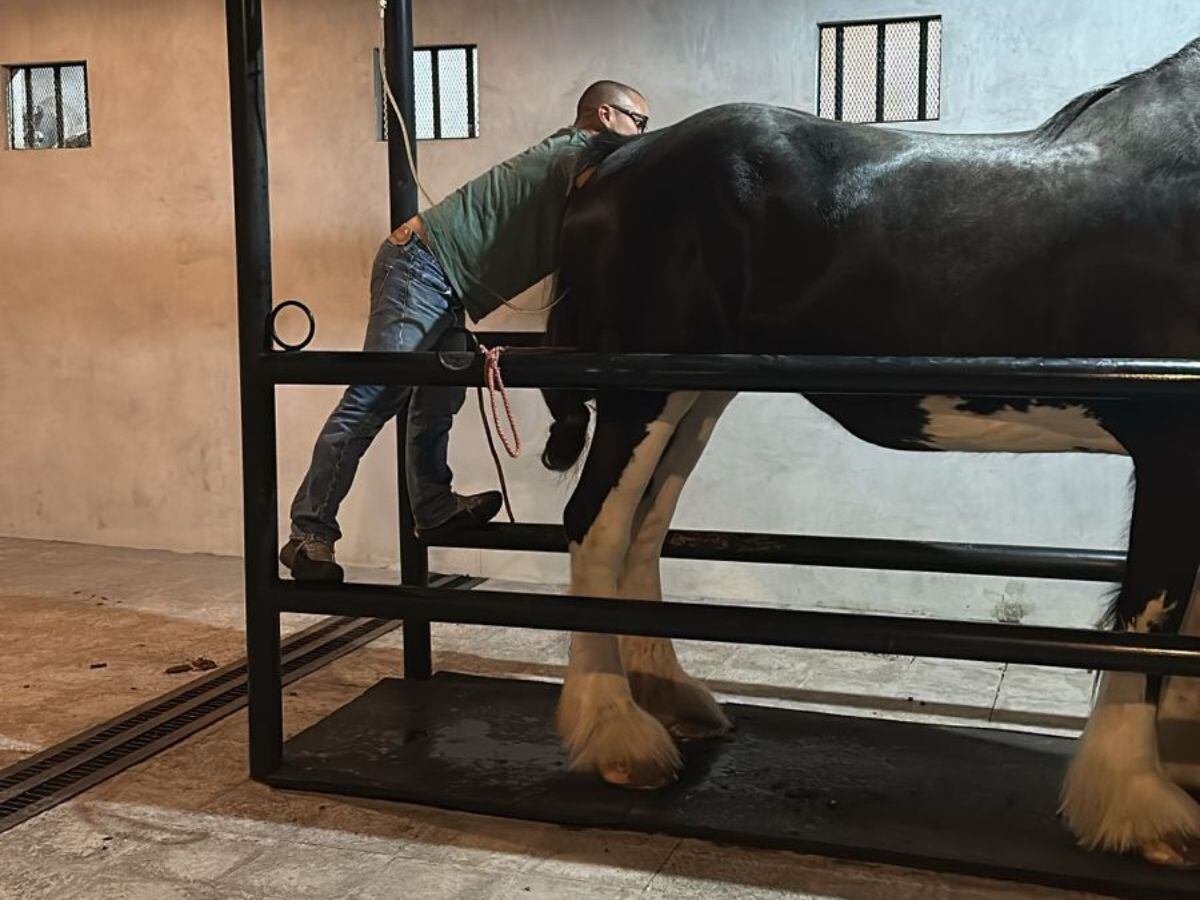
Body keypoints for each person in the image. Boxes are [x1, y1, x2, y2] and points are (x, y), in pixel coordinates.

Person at [280, 80, 650, 581]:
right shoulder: (576, 151)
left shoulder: (574, 156)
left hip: (443, 280)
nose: (641, 135)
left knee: (438, 400)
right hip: (421, 266)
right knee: (375, 395)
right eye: (639, 123)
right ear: (605, 115)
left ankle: (433, 506)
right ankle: (308, 533)